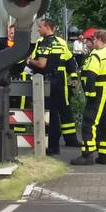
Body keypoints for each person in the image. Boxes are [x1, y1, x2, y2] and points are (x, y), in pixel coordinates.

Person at [26, 19, 81, 155]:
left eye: (40, 27)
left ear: (47, 27)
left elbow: (39, 64)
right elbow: (70, 61)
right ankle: (71, 139)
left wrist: (27, 61)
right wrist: (73, 77)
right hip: (61, 81)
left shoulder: (42, 43)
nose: (38, 30)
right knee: (64, 109)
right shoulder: (61, 42)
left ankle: (52, 145)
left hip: (47, 81)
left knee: (50, 113)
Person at [71, 30, 106, 165]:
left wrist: (90, 94)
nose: (92, 42)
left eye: (93, 39)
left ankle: (87, 155)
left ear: (99, 39)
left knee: (89, 122)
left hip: (99, 91)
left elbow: (90, 76)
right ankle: (105, 155)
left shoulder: (96, 55)